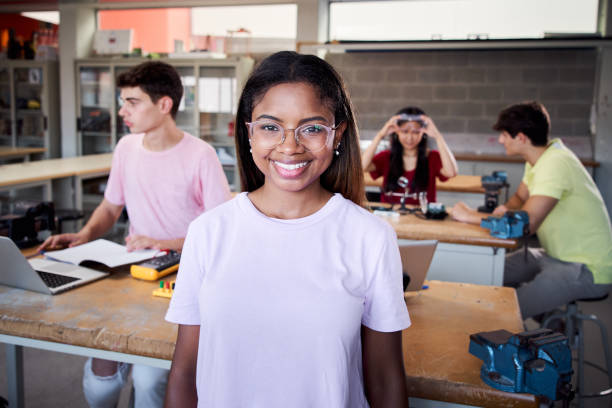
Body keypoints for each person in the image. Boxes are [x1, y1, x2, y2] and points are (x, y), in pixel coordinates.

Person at [164, 51, 411, 407]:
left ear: (337, 134)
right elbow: (185, 371)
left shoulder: (370, 237)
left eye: (311, 128)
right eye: (270, 127)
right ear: (248, 133)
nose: (290, 146)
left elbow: (386, 380)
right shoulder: (208, 232)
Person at [38, 61, 231, 408]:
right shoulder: (126, 147)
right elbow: (111, 208)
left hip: (180, 278)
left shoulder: (201, 155)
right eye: (122, 101)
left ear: (164, 104)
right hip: (131, 273)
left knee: (148, 380)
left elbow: (223, 233)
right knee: (101, 379)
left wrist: (165, 244)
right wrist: (82, 235)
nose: (121, 110)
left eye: (132, 102)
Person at [450, 101, 612, 320]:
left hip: (585, 267)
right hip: (554, 255)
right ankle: (552, 322)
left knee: (504, 312)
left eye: (505, 135)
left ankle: (545, 327)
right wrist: (505, 209)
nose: (500, 140)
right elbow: (519, 198)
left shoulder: (555, 163)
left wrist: (471, 216)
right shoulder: (539, 158)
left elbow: (525, 224)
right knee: (488, 274)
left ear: (521, 138)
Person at [361, 107, 458, 204]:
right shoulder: (386, 156)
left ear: (423, 132)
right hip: (390, 216)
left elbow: (451, 172)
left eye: (416, 132)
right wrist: (380, 135)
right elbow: (361, 166)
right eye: (405, 131)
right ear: (397, 131)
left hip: (422, 217)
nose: (410, 138)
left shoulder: (432, 157)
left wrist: (437, 135)